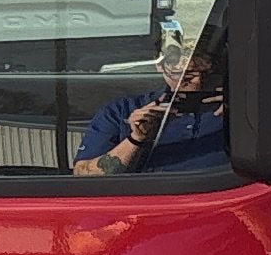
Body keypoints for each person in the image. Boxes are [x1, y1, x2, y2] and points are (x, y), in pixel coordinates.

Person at [71, 34, 228, 176]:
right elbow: (83, 174)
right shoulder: (121, 111)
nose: (197, 82)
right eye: (184, 75)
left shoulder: (238, 108)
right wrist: (136, 139)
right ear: (159, 65)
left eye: (207, 74)